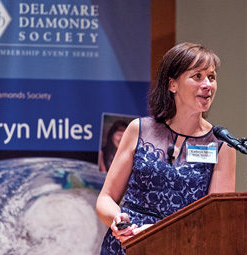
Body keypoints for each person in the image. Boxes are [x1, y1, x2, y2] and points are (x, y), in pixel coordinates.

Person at [96, 42, 236, 254]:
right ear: (172, 85)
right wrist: (117, 220)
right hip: (127, 246)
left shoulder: (221, 145)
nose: (207, 84)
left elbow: (217, 221)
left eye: (212, 77)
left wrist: (160, 231)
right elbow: (106, 198)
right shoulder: (139, 129)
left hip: (180, 247)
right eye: (197, 76)